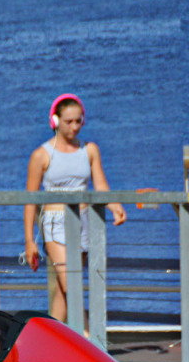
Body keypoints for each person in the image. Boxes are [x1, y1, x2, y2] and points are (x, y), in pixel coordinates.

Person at [23, 93, 127, 323]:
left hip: (83, 220)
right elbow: (30, 200)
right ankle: (89, 337)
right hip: (54, 222)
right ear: (55, 121)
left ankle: (52, 343)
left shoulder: (89, 150)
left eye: (79, 121)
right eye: (69, 121)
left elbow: (100, 186)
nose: (75, 127)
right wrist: (30, 240)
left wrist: (114, 206)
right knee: (72, 283)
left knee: (63, 288)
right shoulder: (41, 155)